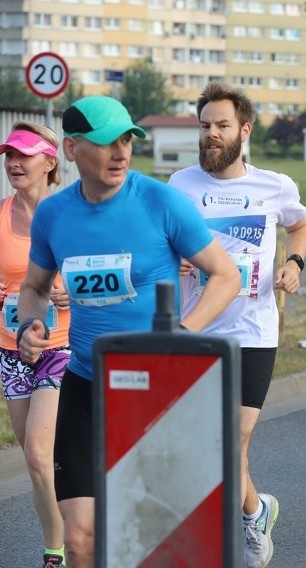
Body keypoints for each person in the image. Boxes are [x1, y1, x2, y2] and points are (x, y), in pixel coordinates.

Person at [15, 95, 241, 568]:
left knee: (151, 542)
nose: (120, 152)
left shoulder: (160, 201)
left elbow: (225, 275)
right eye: (105, 143)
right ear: (73, 150)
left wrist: (181, 333)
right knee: (79, 541)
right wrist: (33, 323)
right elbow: (34, 288)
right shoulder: (55, 214)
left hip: (157, 392)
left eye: (126, 140)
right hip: (85, 384)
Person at [168, 82, 306, 568]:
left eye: (221, 125)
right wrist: (177, 262)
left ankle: (227, 533)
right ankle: (257, 511)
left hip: (252, 330)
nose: (211, 133)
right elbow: (163, 244)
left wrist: (293, 263)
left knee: (229, 442)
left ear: (243, 130)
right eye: (205, 125)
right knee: (210, 445)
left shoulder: (274, 185)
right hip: (195, 330)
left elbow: (301, 224)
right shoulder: (180, 185)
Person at [0, 123, 71, 568]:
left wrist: (73, 294)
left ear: (49, 162)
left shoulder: (71, 214)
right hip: (10, 350)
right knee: (35, 457)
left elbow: (108, 274)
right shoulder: (0, 216)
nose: (13, 163)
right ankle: (67, 529)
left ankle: (56, 552)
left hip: (63, 346)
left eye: (23, 154)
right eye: (8, 154)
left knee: (42, 454)